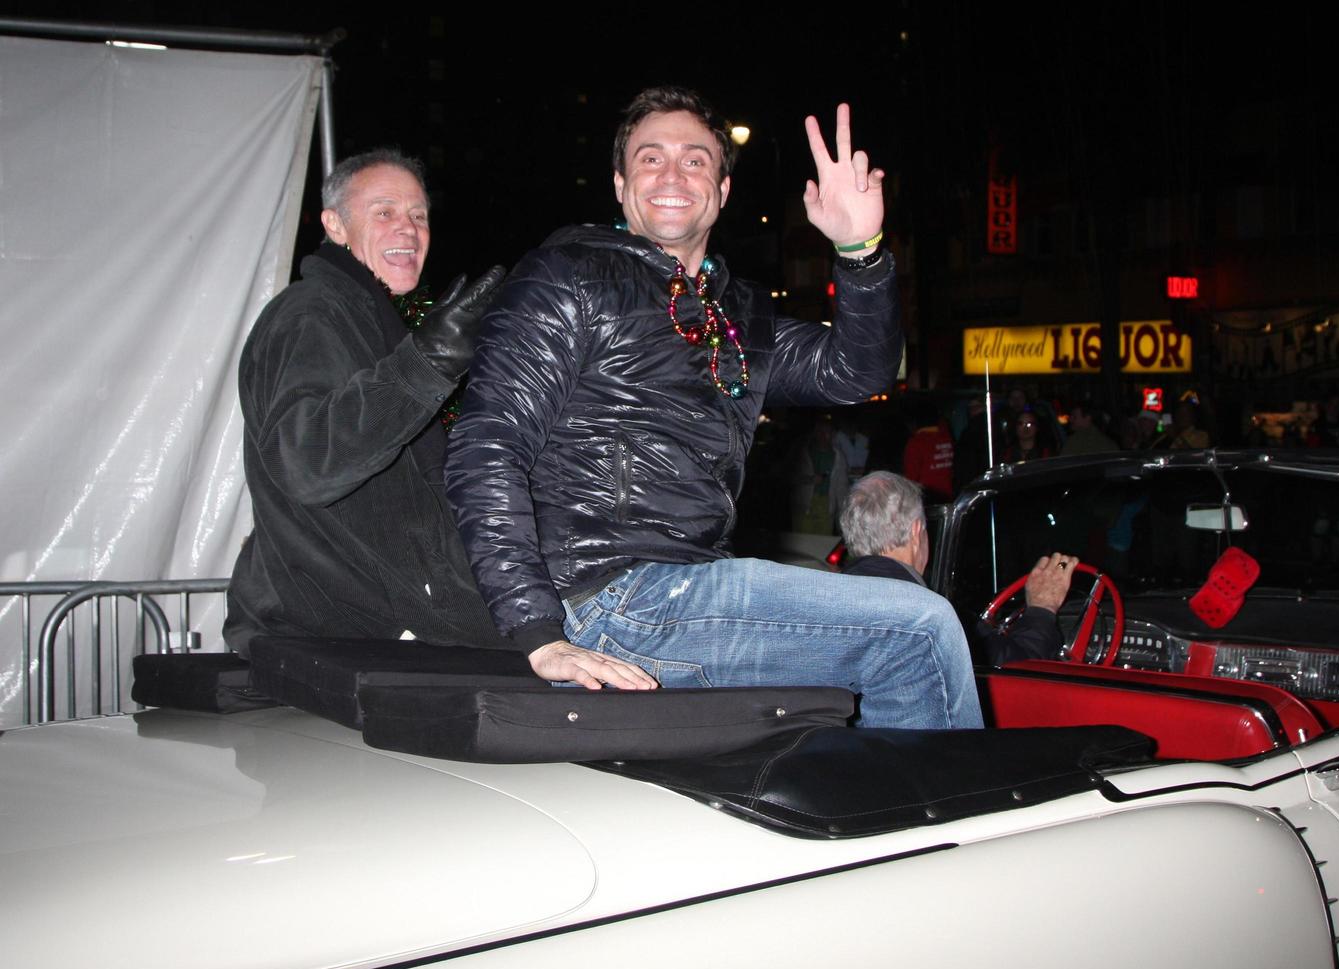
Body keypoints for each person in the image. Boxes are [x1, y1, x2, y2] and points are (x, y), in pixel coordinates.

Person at [446, 87, 980, 729]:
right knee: (918, 630)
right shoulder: (568, 276)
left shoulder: (737, 315)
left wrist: (860, 250)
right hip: (604, 592)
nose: (673, 174)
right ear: (620, 185)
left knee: (894, 644)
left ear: (722, 190)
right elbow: (487, 447)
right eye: (651, 158)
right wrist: (536, 628)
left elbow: (855, 370)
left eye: (695, 160)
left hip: (686, 591)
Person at [224, 149, 506, 655]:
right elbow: (307, 462)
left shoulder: (373, 319)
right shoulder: (312, 313)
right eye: (384, 213)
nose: (409, 229)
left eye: (419, 215)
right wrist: (429, 363)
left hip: (368, 628)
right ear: (335, 225)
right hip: (338, 636)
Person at [839, 471, 1076, 664]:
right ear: (916, 532)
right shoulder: (936, 619)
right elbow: (1019, 667)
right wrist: (1042, 610)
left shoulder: (831, 602)